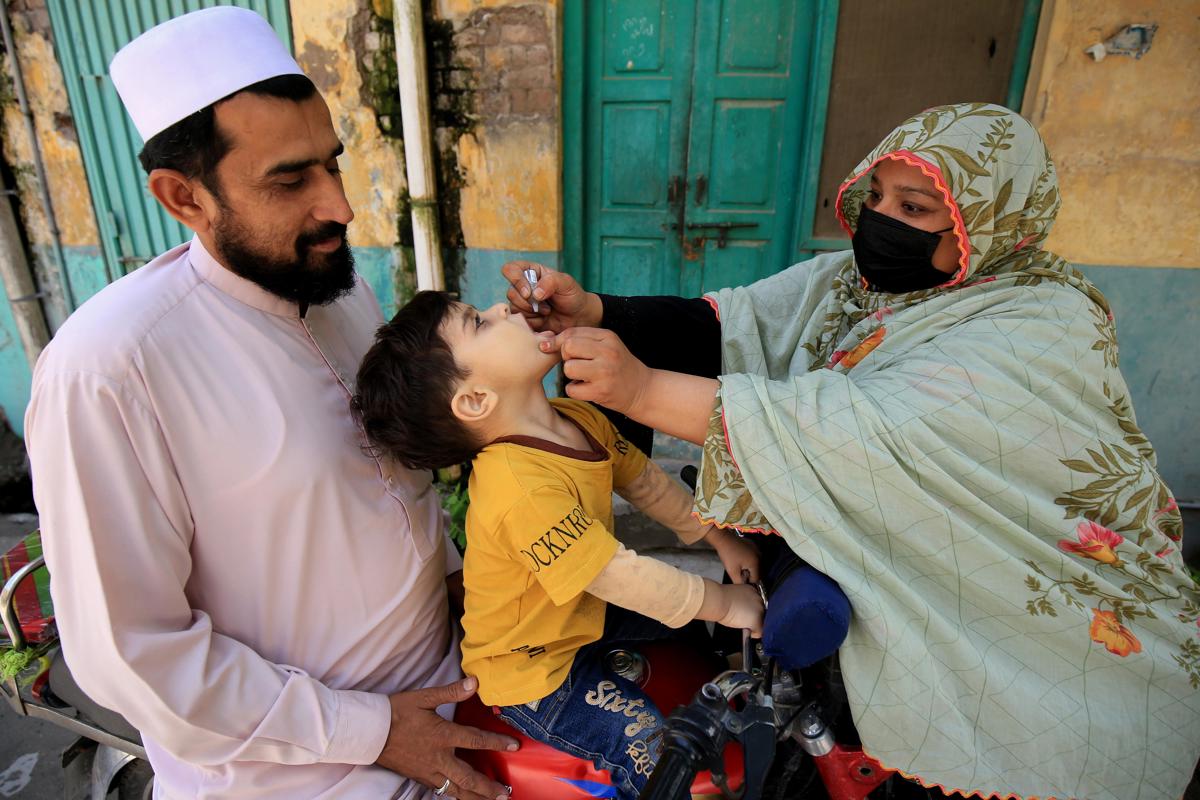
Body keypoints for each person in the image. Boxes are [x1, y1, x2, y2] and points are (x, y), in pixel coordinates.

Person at [503, 103, 1200, 800]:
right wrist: (599, 312)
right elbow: (730, 326)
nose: (879, 218)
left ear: (988, 225)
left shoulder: (1036, 326)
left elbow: (864, 430)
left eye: (914, 205)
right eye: (874, 195)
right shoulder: (856, 289)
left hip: (1031, 620)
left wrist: (647, 391)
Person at [23, 8, 519, 800]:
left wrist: (466, 589)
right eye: (290, 180)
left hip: (455, 706)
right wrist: (373, 729)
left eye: (332, 164)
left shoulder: (339, 288)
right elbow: (134, 656)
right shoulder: (110, 369)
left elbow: (389, 493)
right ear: (184, 197)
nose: (340, 207)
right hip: (311, 778)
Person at [351, 290, 764, 800]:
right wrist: (723, 602)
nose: (503, 310)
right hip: (535, 670)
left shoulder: (576, 416)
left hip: (579, 613)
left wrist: (719, 540)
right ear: (476, 400)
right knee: (653, 751)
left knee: (685, 631)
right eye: (480, 323)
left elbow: (644, 482)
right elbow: (614, 573)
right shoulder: (519, 488)